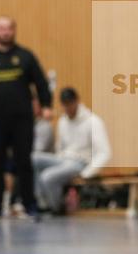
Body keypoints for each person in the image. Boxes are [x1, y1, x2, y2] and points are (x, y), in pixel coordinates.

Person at [0, 16, 52, 218]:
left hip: (22, 119)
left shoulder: (25, 56)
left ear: (14, 30)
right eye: (2, 29)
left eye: (9, 28)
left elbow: (41, 83)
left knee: (24, 162)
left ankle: (29, 205)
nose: (6, 32)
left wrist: (47, 105)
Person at [33, 87, 111, 215]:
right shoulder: (63, 121)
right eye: (64, 104)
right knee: (33, 158)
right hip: (62, 159)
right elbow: (60, 148)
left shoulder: (93, 121)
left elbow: (104, 152)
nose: (67, 108)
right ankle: (41, 203)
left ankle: (56, 208)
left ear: (77, 101)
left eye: (69, 104)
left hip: (80, 163)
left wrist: (87, 173)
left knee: (47, 176)